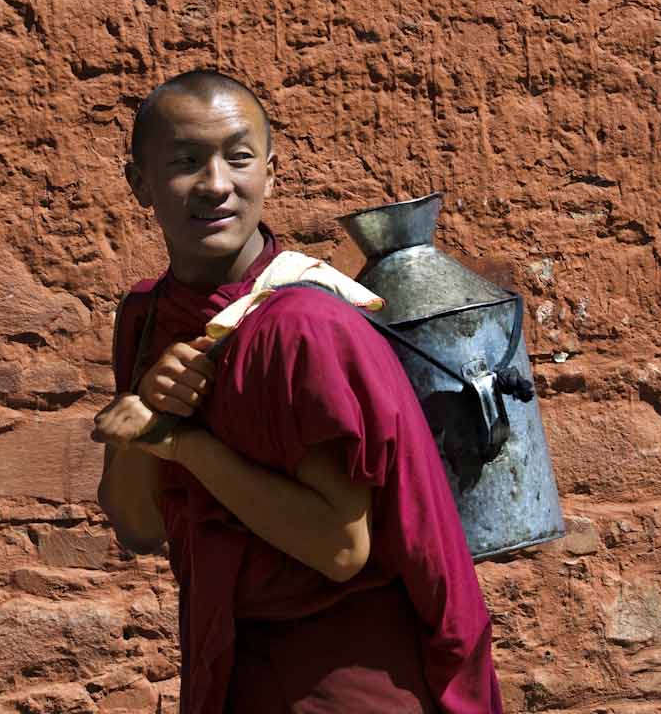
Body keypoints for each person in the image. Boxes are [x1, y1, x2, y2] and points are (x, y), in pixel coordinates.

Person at [93, 70, 502, 713]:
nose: (217, 184)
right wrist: (142, 424)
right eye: (186, 162)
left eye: (238, 157)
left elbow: (340, 547)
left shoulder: (300, 326)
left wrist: (186, 446)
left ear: (271, 172)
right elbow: (139, 528)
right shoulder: (148, 319)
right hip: (232, 674)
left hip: (346, 686)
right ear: (139, 183)